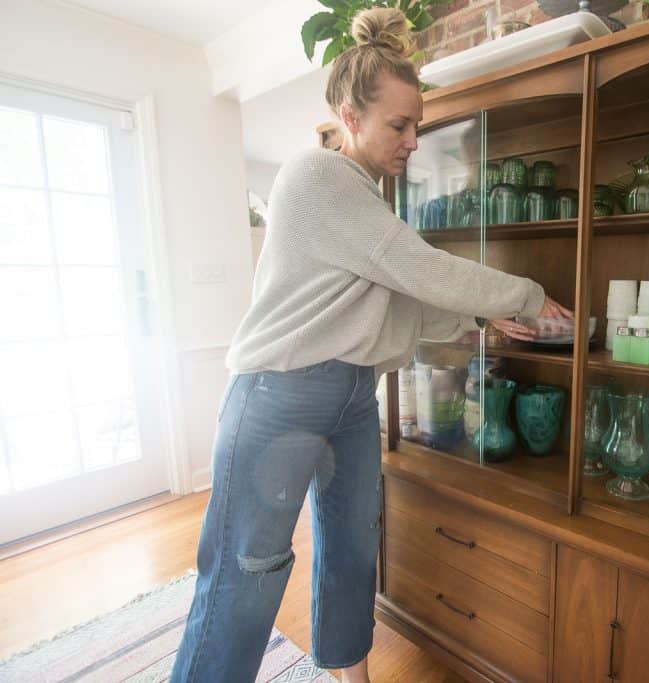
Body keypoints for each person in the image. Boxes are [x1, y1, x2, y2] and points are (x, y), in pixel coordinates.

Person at [169, 7, 571, 682]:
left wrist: (479, 327)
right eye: (399, 124)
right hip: (281, 397)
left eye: (417, 124)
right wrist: (526, 295)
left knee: (352, 553)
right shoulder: (317, 176)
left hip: (354, 397)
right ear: (348, 116)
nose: (413, 139)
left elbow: (394, 308)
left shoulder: (368, 205)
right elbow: (423, 268)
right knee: (248, 576)